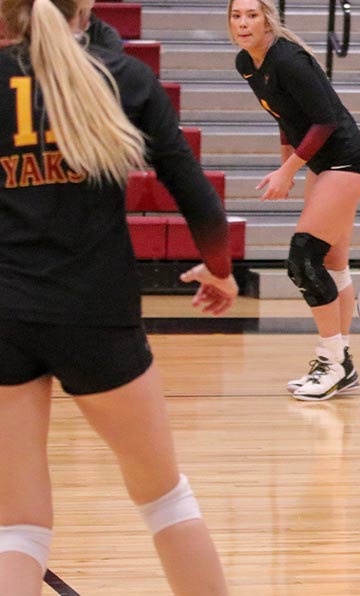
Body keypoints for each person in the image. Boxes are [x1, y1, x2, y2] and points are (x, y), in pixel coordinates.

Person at [0, 0, 237, 594]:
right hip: (95, 313)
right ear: (87, 10)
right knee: (164, 498)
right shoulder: (122, 78)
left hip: (3, 315)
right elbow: (191, 188)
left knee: (18, 530)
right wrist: (220, 271)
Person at [228, 0, 360, 401]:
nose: (243, 23)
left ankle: (333, 362)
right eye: (236, 16)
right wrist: (285, 165)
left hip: (347, 158)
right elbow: (285, 117)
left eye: (251, 15)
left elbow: (325, 119)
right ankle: (339, 360)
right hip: (322, 163)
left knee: (303, 259)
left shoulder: (288, 59)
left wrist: (289, 170)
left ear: (267, 20)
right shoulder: (246, 63)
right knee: (332, 263)